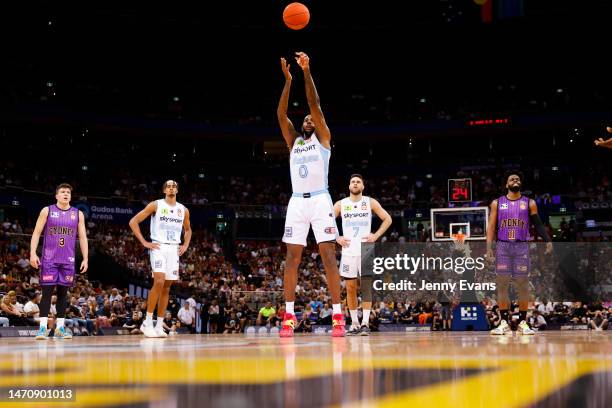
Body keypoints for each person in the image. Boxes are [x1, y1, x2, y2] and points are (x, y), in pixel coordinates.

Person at [277, 51, 345, 337]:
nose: (308, 119)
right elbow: (281, 115)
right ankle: (289, 316)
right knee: (292, 258)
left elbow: (314, 103)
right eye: (304, 118)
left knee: (329, 256)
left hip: (320, 199)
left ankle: (338, 316)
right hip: (296, 202)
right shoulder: (293, 141)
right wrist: (288, 80)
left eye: (311, 118)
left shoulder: (324, 139)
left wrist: (306, 72)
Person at [487, 171, 552, 335]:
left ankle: (523, 322)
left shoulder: (529, 203)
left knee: (523, 285)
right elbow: (491, 227)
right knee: (501, 285)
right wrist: (489, 248)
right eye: (511, 178)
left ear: (520, 183)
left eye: (517, 178)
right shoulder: (497, 203)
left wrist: (548, 240)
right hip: (502, 246)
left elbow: (537, 224)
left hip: (521, 246)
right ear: (506, 185)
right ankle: (503, 323)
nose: (515, 179)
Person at [129, 180, 192, 338]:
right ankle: (147, 322)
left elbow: (188, 229)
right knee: (159, 281)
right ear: (164, 190)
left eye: (174, 186)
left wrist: (185, 245)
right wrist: (144, 242)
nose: (171, 188)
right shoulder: (155, 205)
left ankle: (159, 325)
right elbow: (133, 221)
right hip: (158, 247)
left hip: (174, 248)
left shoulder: (183, 210)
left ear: (177, 190)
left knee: (167, 287)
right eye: (169, 186)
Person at [334, 174, 392, 336]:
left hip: (365, 249)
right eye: (352, 181)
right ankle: (354, 324)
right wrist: (336, 237)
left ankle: (365, 323)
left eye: (358, 181)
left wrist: (375, 236)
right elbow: (326, 220)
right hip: (348, 250)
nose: (355, 183)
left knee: (366, 287)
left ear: (363, 186)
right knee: (350, 288)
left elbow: (387, 219)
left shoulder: (370, 202)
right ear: (349, 186)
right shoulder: (341, 204)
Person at [29, 183, 88, 339]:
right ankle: (43, 329)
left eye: (68, 192)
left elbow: (82, 237)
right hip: (49, 259)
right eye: (62, 192)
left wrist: (86, 258)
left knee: (63, 294)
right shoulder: (47, 210)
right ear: (56, 195)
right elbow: (36, 233)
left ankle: (60, 329)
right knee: (47, 293)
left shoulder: (78, 214)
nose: (65, 194)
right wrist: (32, 253)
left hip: (68, 261)